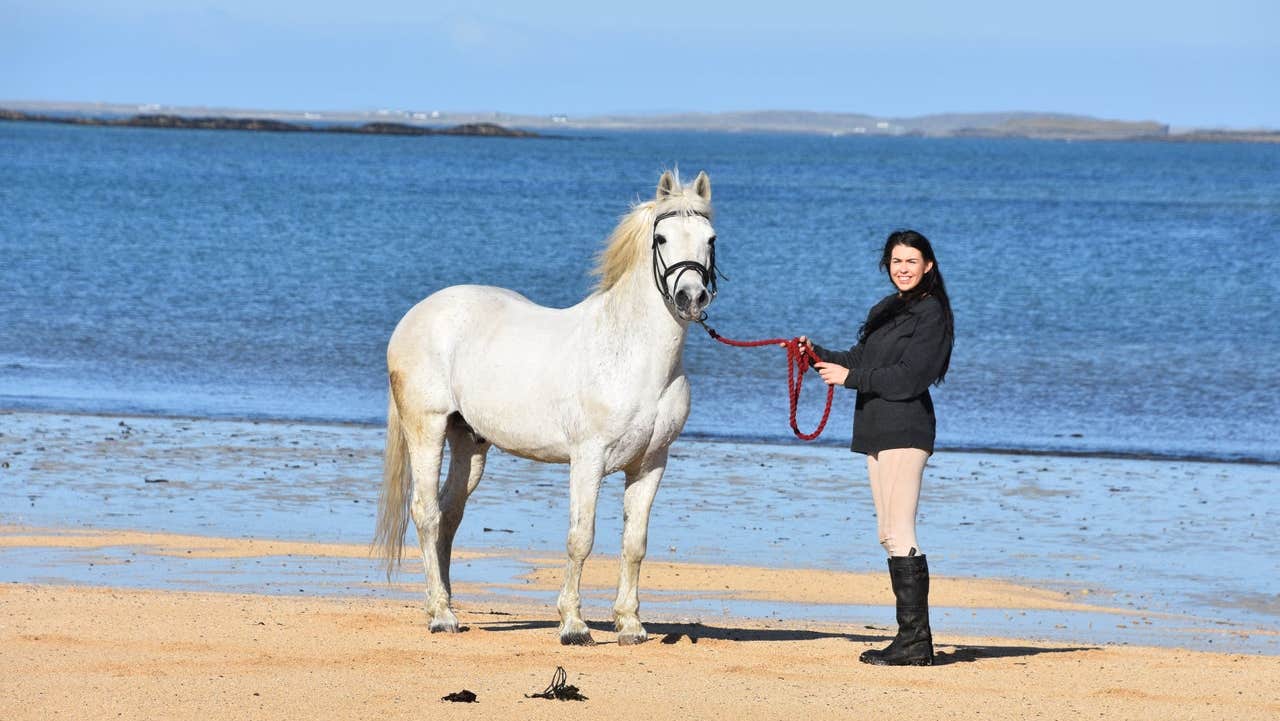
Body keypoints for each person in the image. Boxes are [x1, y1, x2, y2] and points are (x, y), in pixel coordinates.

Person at [799, 229, 955, 666]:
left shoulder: (932, 314)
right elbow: (861, 360)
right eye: (896, 261)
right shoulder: (888, 309)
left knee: (900, 531)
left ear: (928, 266)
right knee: (887, 533)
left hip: (907, 427)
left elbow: (909, 376)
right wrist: (815, 354)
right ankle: (911, 639)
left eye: (911, 261)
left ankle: (916, 642)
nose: (902, 268)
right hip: (876, 427)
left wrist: (850, 379)